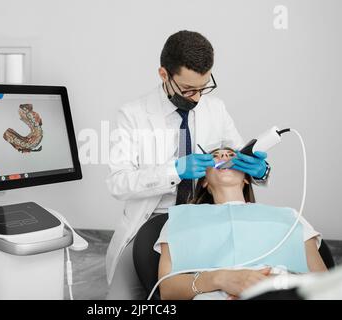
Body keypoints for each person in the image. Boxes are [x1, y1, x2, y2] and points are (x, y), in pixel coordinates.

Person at [105, 30, 271, 299]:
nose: (196, 97)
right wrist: (174, 171)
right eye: (188, 89)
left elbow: (240, 157)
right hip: (153, 219)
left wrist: (260, 170)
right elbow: (118, 183)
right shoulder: (132, 115)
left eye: (203, 87)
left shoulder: (215, 109)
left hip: (205, 216)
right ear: (163, 75)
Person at [155, 148, 328, 300]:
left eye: (231, 155)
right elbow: (168, 290)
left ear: (246, 178)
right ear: (205, 180)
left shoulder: (288, 216)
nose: (224, 155)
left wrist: (276, 283)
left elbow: (323, 282)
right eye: (215, 156)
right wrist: (220, 278)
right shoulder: (182, 219)